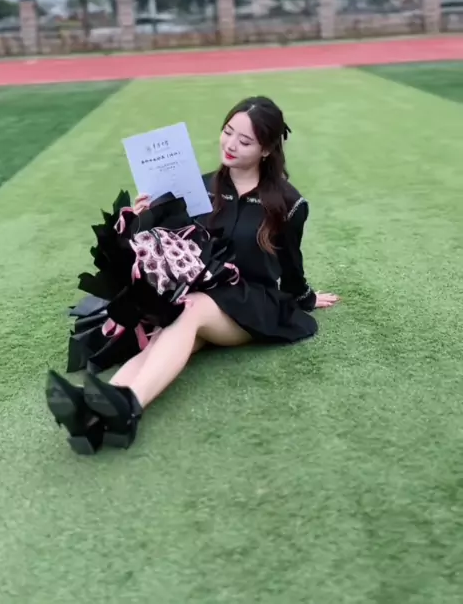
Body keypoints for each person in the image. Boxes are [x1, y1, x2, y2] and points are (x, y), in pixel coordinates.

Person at [46, 95, 339, 454]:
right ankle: (98, 416)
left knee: (190, 308)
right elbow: (172, 243)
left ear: (266, 150)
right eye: (227, 131)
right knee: (170, 328)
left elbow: (292, 266)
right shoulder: (199, 186)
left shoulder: (288, 203)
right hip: (206, 298)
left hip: (254, 305)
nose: (230, 144)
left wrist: (307, 298)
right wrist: (143, 216)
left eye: (245, 141)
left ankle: (123, 407)